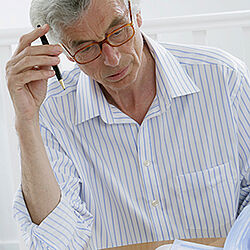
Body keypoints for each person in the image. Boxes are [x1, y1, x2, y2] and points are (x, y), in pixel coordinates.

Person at [5, 0, 249, 249]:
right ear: (65, 52)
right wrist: (25, 122)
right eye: (87, 48)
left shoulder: (224, 78)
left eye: (118, 31)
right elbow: (54, 243)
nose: (112, 58)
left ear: (137, 15)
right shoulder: (51, 111)